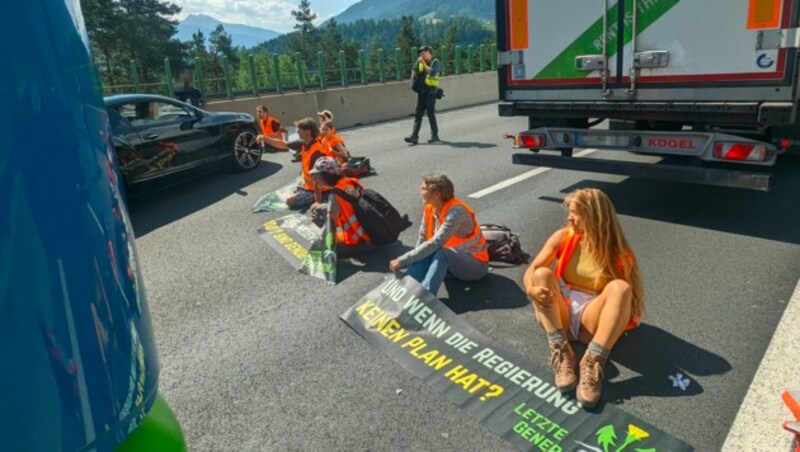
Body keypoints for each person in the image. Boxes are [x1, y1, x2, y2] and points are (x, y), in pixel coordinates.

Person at [522, 188, 644, 408]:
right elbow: (533, 268)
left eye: (575, 213)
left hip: (592, 319)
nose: (569, 218)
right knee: (541, 274)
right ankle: (561, 349)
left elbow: (627, 302)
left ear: (594, 216)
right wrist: (531, 290)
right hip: (562, 314)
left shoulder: (618, 252)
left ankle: (593, 360)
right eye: (569, 211)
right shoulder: (563, 236)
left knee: (621, 288)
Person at [389, 173, 488, 294]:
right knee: (426, 252)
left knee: (441, 253)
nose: (420, 191)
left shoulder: (456, 212)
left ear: (436, 194)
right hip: (452, 265)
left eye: (424, 189)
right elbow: (423, 238)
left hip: (476, 265)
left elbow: (436, 243)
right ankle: (404, 289)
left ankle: (424, 296)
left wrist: (402, 261)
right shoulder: (430, 208)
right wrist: (411, 264)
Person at [308, 157, 376, 255]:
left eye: (316, 176)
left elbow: (330, 228)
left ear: (326, 175)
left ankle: (368, 246)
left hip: (361, 236)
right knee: (319, 209)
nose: (314, 179)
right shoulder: (347, 181)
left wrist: (326, 248)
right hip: (370, 226)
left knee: (325, 248)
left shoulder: (334, 196)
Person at [265, 117, 328, 208]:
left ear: (308, 131)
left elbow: (317, 181)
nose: (297, 132)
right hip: (307, 183)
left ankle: (323, 196)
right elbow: (284, 144)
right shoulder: (304, 143)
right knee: (294, 190)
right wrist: (266, 139)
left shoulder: (316, 153)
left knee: (289, 201)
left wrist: (317, 204)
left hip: (318, 188)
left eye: (300, 130)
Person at [404, 45, 441, 145]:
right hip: (421, 92)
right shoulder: (419, 61)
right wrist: (413, 74)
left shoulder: (435, 62)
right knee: (418, 114)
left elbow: (432, 73)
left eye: (423, 53)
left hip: (431, 92)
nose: (421, 55)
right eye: (420, 54)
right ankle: (414, 136)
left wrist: (423, 63)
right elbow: (414, 69)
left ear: (428, 52)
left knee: (430, 114)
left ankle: (435, 136)